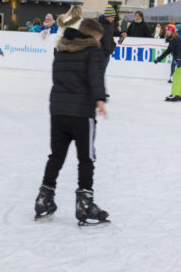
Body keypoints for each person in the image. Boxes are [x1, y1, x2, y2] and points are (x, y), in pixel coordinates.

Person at [34, 19, 109, 226]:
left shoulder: (62, 50)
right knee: (86, 158)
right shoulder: (93, 51)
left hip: (58, 111)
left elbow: (59, 79)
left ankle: (43, 200)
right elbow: (95, 76)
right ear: (94, 36)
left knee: (56, 155)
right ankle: (84, 205)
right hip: (82, 113)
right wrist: (100, 99)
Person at [97, 5, 118, 72]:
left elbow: (115, 32)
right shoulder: (99, 24)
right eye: (112, 17)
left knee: (102, 72)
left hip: (107, 53)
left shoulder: (111, 24)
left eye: (114, 17)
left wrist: (121, 33)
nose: (113, 19)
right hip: (100, 54)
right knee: (99, 72)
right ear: (107, 16)